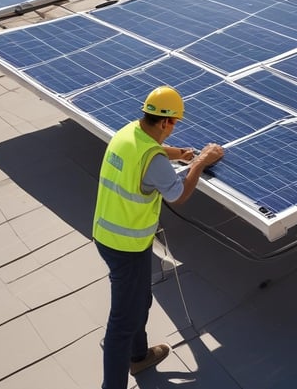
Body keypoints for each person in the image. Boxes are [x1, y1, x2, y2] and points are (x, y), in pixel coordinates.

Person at [93, 85, 224, 389]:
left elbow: (152, 151)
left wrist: (179, 154)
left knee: (141, 300)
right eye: (175, 122)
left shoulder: (129, 132)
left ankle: (139, 355)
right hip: (126, 245)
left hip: (107, 234)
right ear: (165, 122)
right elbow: (178, 195)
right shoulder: (153, 161)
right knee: (122, 324)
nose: (174, 127)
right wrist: (201, 161)